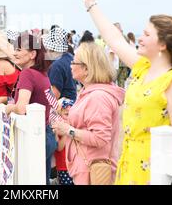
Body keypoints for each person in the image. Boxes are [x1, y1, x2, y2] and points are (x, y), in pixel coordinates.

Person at [83, 0, 172, 185]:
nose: (140, 39)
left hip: (154, 174)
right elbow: (114, 39)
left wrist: (160, 177)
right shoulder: (142, 67)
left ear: (163, 45)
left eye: (147, 35)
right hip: (128, 164)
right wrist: (91, 4)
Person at [52, 42, 125, 185]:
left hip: (93, 171)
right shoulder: (89, 92)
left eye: (74, 62)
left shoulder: (98, 97)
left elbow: (100, 138)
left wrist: (68, 130)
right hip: (87, 167)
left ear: (86, 69)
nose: (70, 65)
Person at [5, 32, 56, 185]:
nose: (15, 52)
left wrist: (9, 108)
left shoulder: (27, 73)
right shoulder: (42, 74)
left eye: (19, 49)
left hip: (36, 137)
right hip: (47, 135)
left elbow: (22, 108)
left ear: (32, 53)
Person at [43, 27, 77, 102]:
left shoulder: (56, 66)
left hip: (63, 106)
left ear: (51, 48)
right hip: (72, 102)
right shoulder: (70, 57)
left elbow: (54, 95)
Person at [54, 98, 75, 185]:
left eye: (71, 114)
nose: (69, 117)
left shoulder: (75, 125)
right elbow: (59, 147)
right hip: (64, 166)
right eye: (66, 114)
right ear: (60, 114)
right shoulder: (59, 127)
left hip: (75, 165)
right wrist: (66, 132)